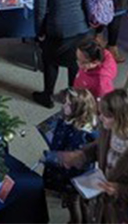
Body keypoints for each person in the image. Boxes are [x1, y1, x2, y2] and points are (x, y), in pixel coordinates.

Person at [54, 90, 128, 223]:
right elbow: (100, 145)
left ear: (121, 119)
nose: (100, 118)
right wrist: (82, 155)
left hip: (127, 211)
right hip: (106, 203)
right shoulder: (108, 128)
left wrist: (120, 190)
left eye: (106, 115)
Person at [32, 0, 92, 108]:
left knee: (50, 60)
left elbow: (40, 9)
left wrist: (39, 32)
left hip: (58, 29)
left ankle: (47, 96)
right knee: (75, 62)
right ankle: (73, 99)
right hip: (81, 27)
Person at [42, 87, 98, 224]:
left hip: (73, 176)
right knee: (80, 199)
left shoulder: (81, 134)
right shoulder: (70, 119)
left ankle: (76, 221)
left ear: (77, 109)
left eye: (68, 104)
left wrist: (50, 157)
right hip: (71, 174)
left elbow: (70, 158)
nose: (64, 106)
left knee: (72, 201)